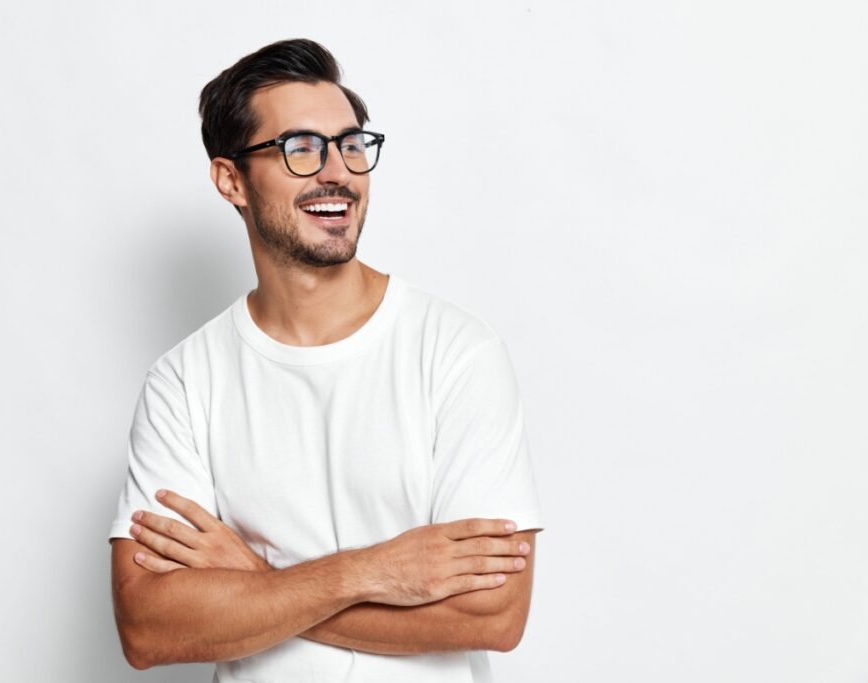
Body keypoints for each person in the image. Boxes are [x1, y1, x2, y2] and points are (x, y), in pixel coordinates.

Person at [108, 38, 544, 682]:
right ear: (232, 180)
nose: (336, 170)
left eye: (350, 144)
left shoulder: (455, 352)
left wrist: (256, 582)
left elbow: (494, 615)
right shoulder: (184, 381)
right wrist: (370, 573)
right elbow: (148, 626)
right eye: (300, 148)